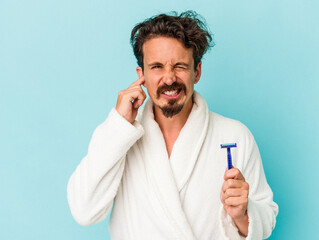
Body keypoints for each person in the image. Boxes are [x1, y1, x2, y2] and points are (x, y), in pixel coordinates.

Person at [67, 11, 278, 240]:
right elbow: (83, 211)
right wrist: (119, 125)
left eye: (179, 66)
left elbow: (265, 219)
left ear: (196, 72)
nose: (169, 78)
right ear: (142, 75)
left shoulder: (235, 135)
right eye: (157, 66)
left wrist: (242, 214)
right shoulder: (118, 137)